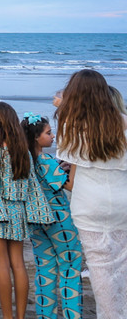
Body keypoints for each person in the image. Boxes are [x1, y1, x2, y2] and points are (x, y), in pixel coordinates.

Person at [55, 68, 127, 315]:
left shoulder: (70, 126)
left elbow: (67, 159)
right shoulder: (124, 121)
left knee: (100, 269)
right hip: (121, 199)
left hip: (88, 203)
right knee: (123, 267)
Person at [0, 101, 54, 319]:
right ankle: (20, 316)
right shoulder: (23, 150)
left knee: (1, 266)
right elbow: (31, 184)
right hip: (17, 211)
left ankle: (8, 317)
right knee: (18, 265)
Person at [21, 111, 83, 319]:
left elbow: (49, 177)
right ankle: (72, 315)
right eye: (48, 133)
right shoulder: (46, 160)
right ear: (36, 137)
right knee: (70, 267)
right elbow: (70, 185)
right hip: (59, 220)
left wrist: (59, 168)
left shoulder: (27, 160)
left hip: (36, 219)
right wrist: (74, 162)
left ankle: (45, 315)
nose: (53, 136)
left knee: (45, 270)